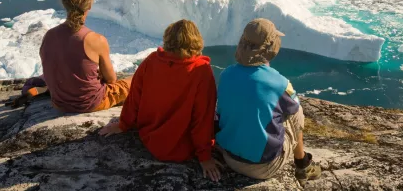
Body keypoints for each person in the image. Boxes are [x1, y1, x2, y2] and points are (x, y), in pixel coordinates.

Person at [99, 19, 221, 182]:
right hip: (183, 148)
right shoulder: (201, 71)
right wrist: (205, 156)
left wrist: (123, 124)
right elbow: (203, 118)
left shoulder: (151, 61)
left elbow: (134, 98)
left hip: (150, 139)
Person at [215, 18, 321, 185]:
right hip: (264, 167)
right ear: (271, 47)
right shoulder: (280, 83)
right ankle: (303, 165)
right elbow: (293, 111)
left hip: (229, 157)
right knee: (296, 112)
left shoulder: (226, 74)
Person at [39, 0, 132, 113]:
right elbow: (111, 80)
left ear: (65, 3)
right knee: (135, 79)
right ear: (89, 5)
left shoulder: (49, 36)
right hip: (90, 103)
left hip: (59, 103)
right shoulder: (96, 40)